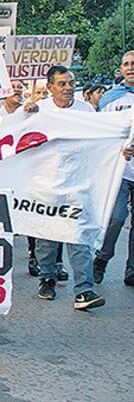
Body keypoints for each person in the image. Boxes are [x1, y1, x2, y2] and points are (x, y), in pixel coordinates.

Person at [23, 65, 106, 309]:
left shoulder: (85, 110)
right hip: (46, 184)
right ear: (49, 88)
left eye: (71, 83)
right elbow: (17, 136)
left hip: (78, 184)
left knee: (79, 235)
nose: (68, 88)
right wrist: (24, 115)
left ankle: (84, 290)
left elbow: (101, 139)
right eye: (62, 84)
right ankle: (46, 278)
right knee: (48, 236)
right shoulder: (39, 111)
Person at [95, 50, 134, 287]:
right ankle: (102, 258)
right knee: (117, 216)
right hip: (119, 170)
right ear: (120, 70)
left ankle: (132, 269)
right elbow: (101, 134)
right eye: (126, 64)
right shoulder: (111, 99)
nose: (130, 67)